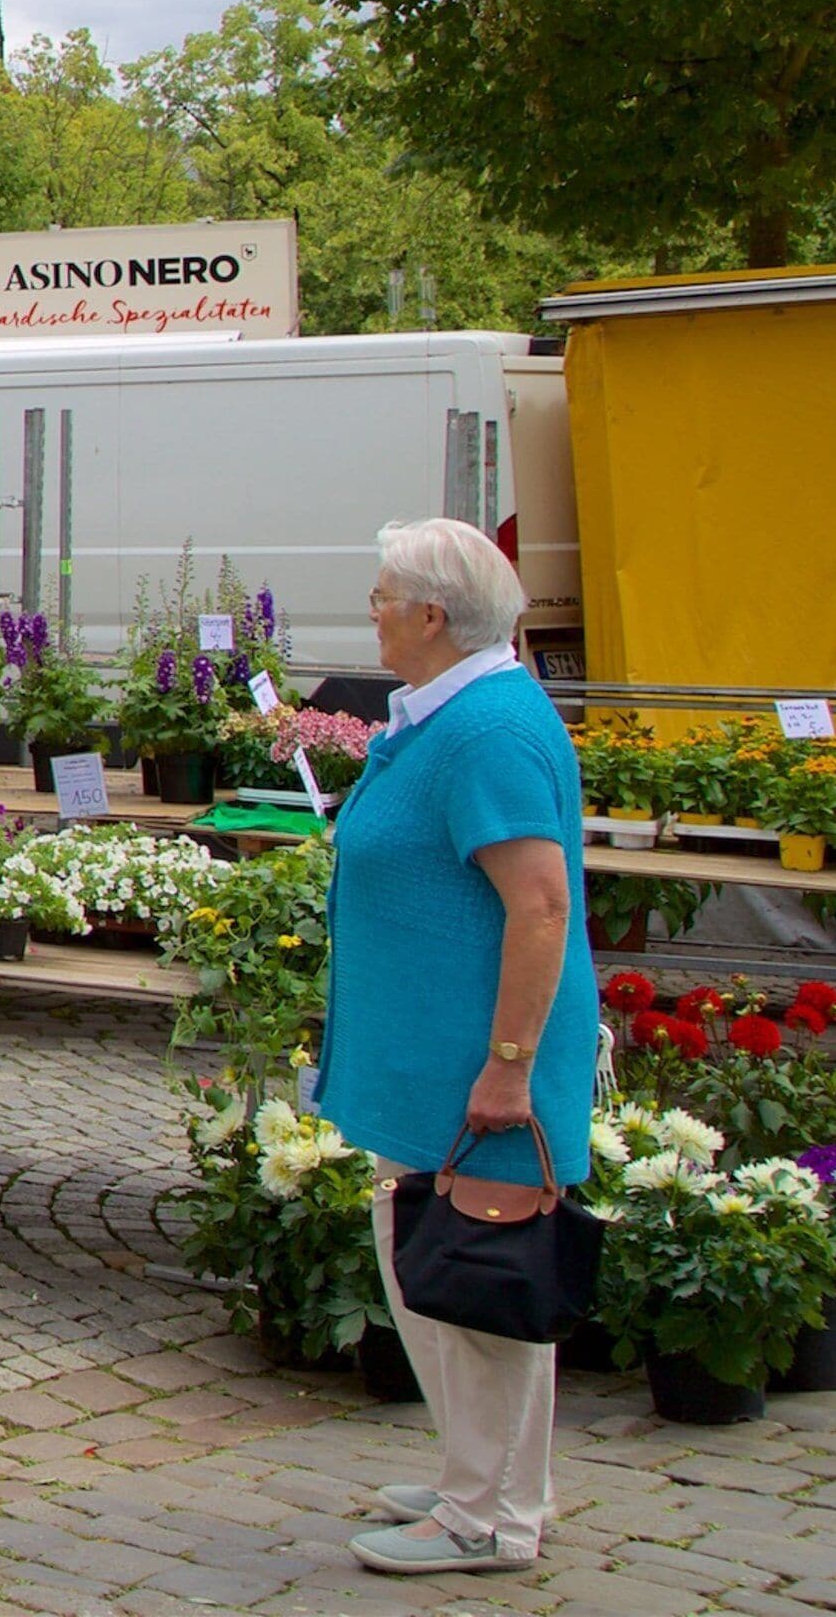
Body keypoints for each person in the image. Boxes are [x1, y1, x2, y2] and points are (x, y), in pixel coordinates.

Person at [318, 518, 595, 1579]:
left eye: (385, 597)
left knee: (474, 1278)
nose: (374, 614)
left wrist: (510, 1066)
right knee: (454, 1271)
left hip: (478, 1068)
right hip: (436, 1060)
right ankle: (493, 1486)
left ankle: (487, 1519)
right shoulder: (451, 716)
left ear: (433, 617)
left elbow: (540, 906)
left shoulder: (485, 730)